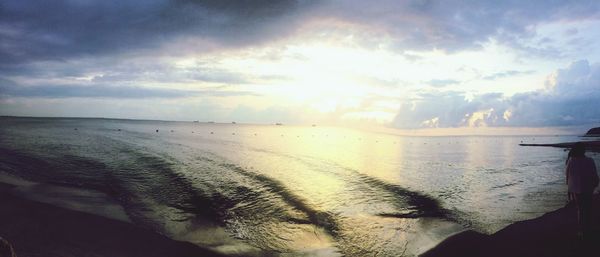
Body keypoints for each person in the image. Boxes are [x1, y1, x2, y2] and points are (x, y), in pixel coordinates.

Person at [565, 142, 598, 239]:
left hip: (576, 189)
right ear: (583, 150)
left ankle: (582, 230)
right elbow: (594, 175)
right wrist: (595, 185)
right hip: (588, 188)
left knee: (581, 210)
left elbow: (567, 176)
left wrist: (569, 190)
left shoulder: (571, 161)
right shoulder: (589, 160)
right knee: (588, 209)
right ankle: (587, 228)